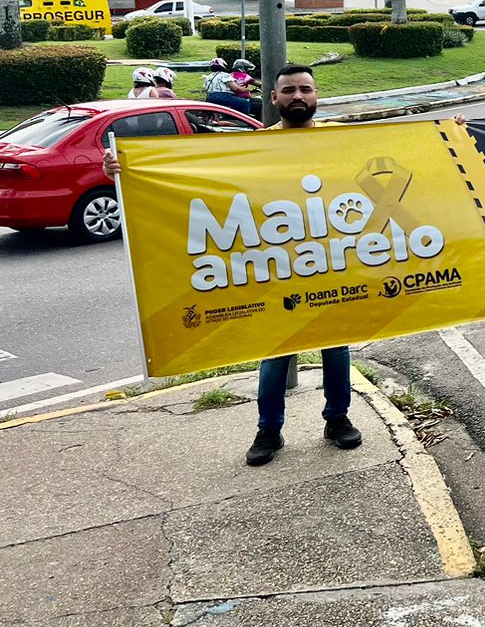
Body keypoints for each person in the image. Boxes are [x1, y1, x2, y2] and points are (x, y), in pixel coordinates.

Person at [104, 63, 362, 467]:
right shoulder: (252, 149)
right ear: (273, 98)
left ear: (316, 95)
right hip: (276, 265)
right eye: (289, 90)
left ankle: (337, 419)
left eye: (305, 89)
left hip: (329, 263)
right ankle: (269, 429)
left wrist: (448, 134)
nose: (298, 96)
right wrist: (123, 172)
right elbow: (198, 187)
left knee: (337, 345)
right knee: (275, 351)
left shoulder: (340, 142)